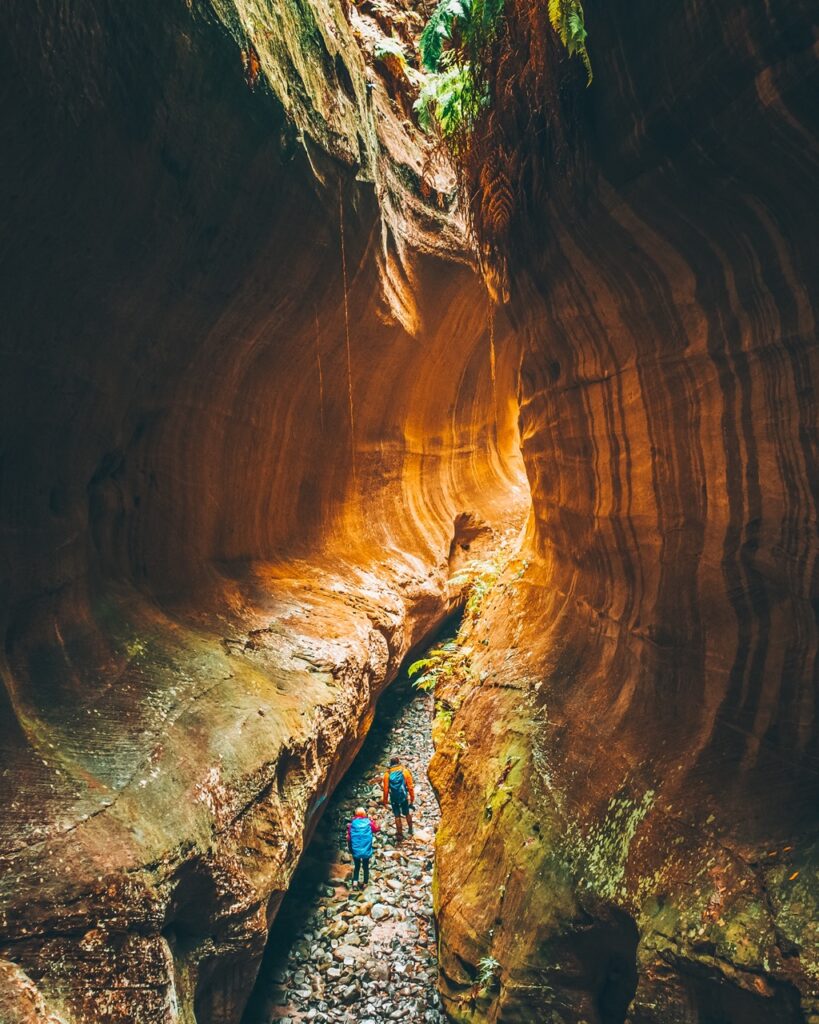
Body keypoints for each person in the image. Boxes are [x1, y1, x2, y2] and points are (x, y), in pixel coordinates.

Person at [346, 807, 380, 888]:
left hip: (356, 849)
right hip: (366, 849)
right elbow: (376, 829)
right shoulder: (368, 823)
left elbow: (349, 838)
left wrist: (351, 848)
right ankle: (365, 883)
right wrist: (374, 821)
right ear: (364, 814)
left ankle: (355, 882)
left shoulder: (352, 824)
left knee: (357, 866)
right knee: (365, 866)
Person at [382, 756, 415, 840]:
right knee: (407, 812)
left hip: (394, 797)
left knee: (397, 815)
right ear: (398, 762)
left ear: (390, 764)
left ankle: (400, 834)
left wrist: (385, 802)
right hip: (403, 796)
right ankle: (410, 829)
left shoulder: (387, 774)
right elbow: (410, 786)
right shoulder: (404, 771)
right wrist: (412, 798)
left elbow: (385, 789)